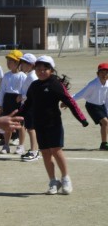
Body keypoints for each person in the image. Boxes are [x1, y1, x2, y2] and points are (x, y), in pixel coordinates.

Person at [18, 56, 88, 195]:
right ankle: (53, 181)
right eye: (38, 69)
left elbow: (70, 101)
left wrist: (82, 118)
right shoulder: (34, 85)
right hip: (39, 124)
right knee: (45, 153)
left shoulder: (55, 84)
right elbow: (27, 104)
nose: (41, 72)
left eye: (45, 69)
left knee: (56, 151)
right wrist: (18, 117)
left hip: (54, 123)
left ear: (51, 70)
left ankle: (65, 178)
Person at [72, 62, 108, 151]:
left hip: (102, 106)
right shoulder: (93, 84)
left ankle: (104, 143)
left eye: (106, 73)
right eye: (102, 72)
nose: (104, 75)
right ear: (97, 74)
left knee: (105, 124)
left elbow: (106, 98)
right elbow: (80, 94)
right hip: (92, 106)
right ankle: (104, 144)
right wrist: (69, 101)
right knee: (105, 123)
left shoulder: (107, 83)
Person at [0, 50, 26, 154]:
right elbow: (2, 91)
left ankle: (21, 146)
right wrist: (1, 104)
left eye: (11, 61)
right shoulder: (6, 75)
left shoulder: (23, 76)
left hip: (18, 102)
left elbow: (25, 91)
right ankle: (6, 145)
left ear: (18, 62)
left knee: (20, 125)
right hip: (7, 100)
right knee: (7, 124)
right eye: (8, 61)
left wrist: (22, 99)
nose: (8, 63)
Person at [17, 53, 40, 161]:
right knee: (30, 128)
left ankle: (34, 151)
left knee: (31, 129)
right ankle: (34, 150)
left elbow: (34, 92)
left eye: (24, 63)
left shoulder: (32, 77)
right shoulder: (30, 75)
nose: (21, 65)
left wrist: (22, 97)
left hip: (31, 105)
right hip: (28, 104)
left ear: (31, 65)